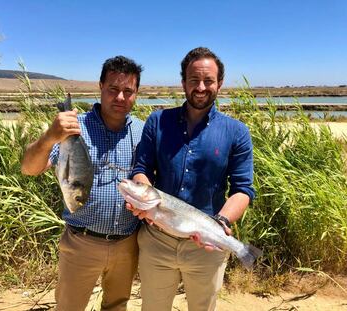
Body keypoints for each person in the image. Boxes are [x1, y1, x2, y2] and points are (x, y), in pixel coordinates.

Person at [127, 47, 255, 311]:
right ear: (183, 82)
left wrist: (220, 223)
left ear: (219, 83)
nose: (200, 87)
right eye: (194, 80)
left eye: (208, 81)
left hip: (206, 245)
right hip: (157, 239)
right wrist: (144, 200)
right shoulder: (157, 121)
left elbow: (242, 190)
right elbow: (142, 167)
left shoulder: (237, 132)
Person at [21, 55, 144, 311]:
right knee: (69, 307)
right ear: (100, 87)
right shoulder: (75, 129)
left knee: (117, 306)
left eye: (127, 91)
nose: (120, 97)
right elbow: (29, 169)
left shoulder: (143, 132)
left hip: (127, 243)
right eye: (113, 89)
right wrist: (48, 138)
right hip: (81, 243)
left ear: (136, 93)